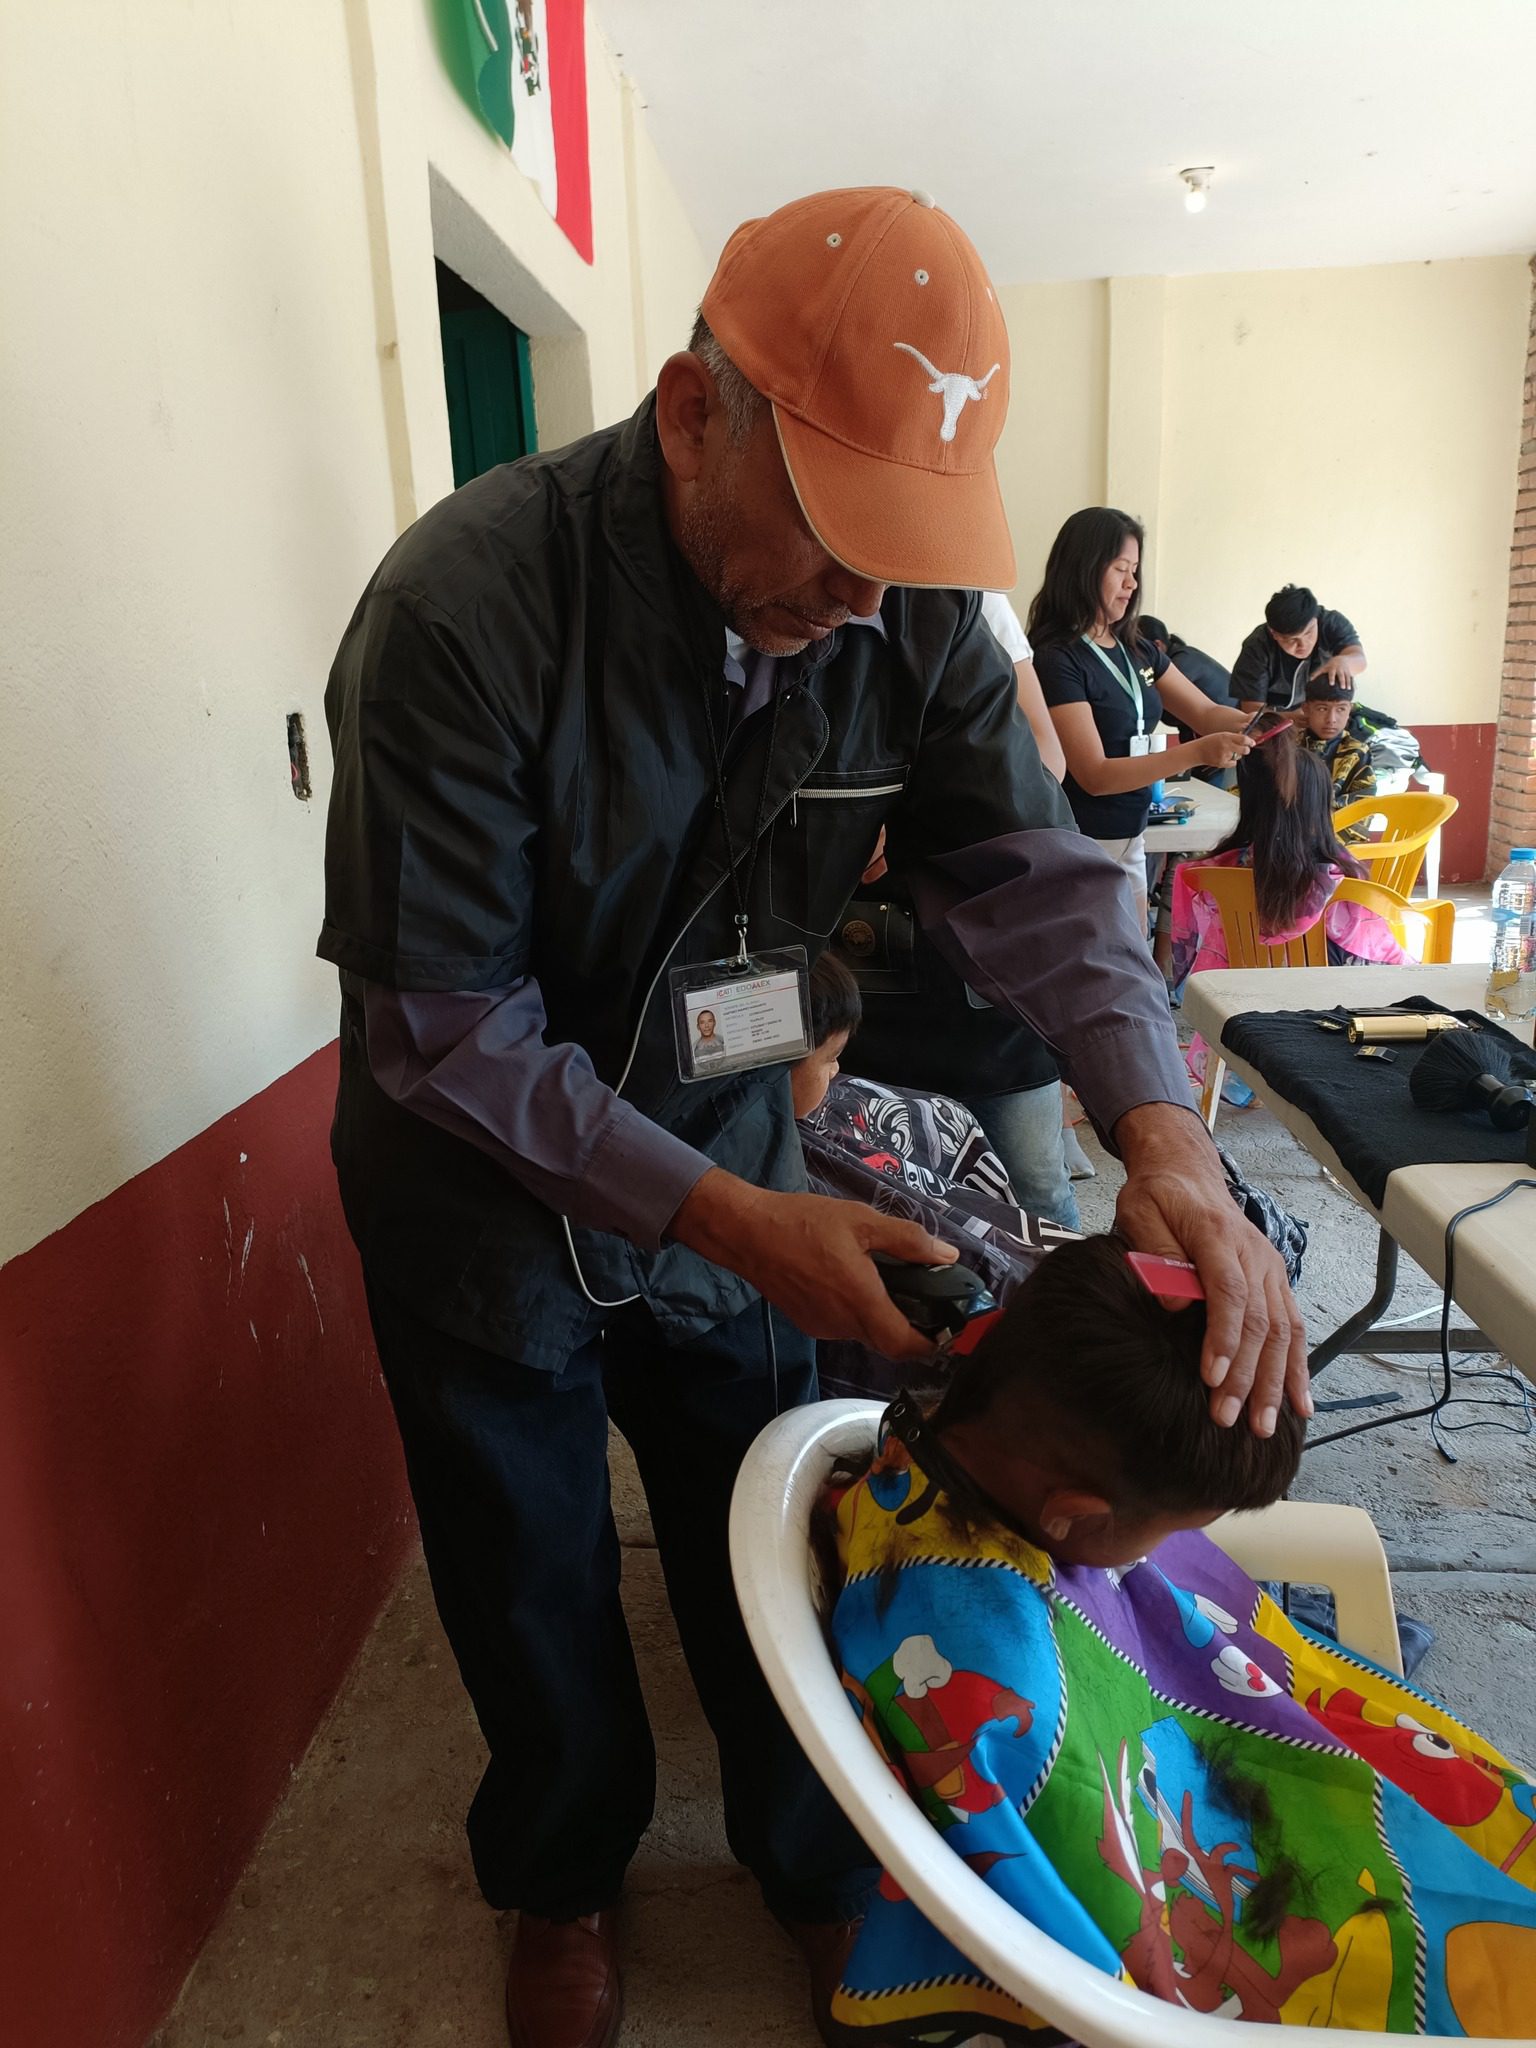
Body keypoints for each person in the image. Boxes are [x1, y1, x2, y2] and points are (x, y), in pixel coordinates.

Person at [318, 186, 1307, 2048]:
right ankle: (560, 1870)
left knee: (762, 1522)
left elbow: (1032, 870)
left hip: (741, 1161)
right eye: (842, 534)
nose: (869, 592)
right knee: (526, 1562)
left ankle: (812, 1848)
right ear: (697, 413)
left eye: (910, 550)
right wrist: (713, 1211)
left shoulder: (908, 614)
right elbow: (442, 1024)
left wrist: (1159, 1130)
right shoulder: (465, 608)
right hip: (479, 1195)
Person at [818, 1236, 1536, 2041]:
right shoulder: (994, 1672)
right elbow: (1114, 1953)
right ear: (1073, 1515)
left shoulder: (936, 1463)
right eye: (1175, 1532)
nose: (1166, 1556)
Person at [1029, 509, 1253, 932]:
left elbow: (1205, 712)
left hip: (1133, 834)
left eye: (1134, 571)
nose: (1132, 584)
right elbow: (1094, 775)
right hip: (1082, 840)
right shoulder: (1056, 658)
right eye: (1120, 570)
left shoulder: (1137, 649)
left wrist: (1256, 724)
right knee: (1106, 966)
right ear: (1084, 568)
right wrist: (1197, 752)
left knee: (1134, 958)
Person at [1171, 737, 1408, 1091]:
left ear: (1249, 802)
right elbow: (1389, 967)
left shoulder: (1212, 872)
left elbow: (1188, 952)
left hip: (1240, 1006)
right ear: (1320, 808)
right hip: (1322, 1014)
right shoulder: (1345, 881)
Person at [1232, 583, 1366, 715]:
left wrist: (1344, 661)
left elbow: (1359, 659)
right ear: (1274, 634)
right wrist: (1287, 719)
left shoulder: (1331, 622)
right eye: (1292, 640)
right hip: (1272, 717)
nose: (1303, 644)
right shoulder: (1257, 645)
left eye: (1309, 633)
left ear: (1316, 619)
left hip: (1316, 713)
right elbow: (1252, 709)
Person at [1297, 668, 1377, 823]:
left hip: (1335, 832)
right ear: (1306, 709)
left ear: (1350, 710)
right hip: (1288, 831)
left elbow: (1363, 807)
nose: (1331, 719)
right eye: (1322, 709)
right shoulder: (1289, 746)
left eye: (1341, 709)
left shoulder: (1356, 752)